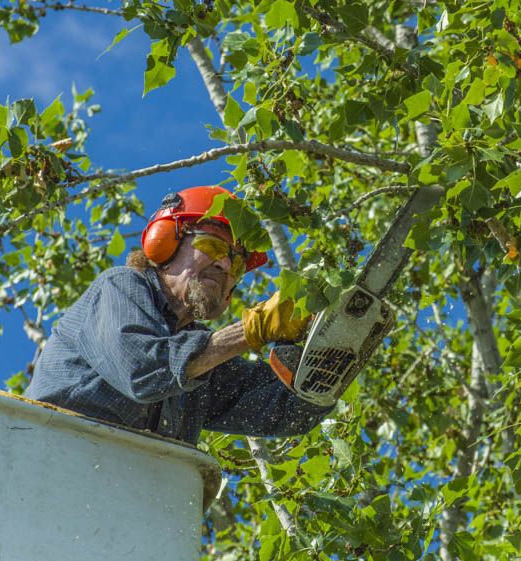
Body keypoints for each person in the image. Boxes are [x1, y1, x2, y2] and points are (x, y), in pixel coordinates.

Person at [25, 186, 330, 444]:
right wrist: (251, 330)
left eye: (237, 265)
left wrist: (330, 345)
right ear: (165, 244)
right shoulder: (119, 286)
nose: (225, 266)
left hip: (122, 498)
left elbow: (288, 409)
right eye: (212, 245)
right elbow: (144, 370)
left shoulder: (203, 365)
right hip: (49, 462)